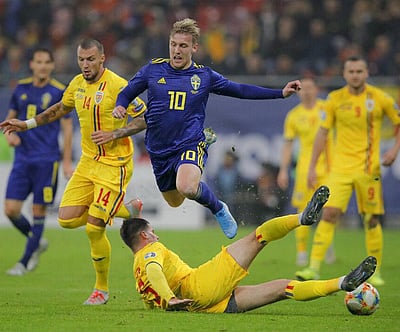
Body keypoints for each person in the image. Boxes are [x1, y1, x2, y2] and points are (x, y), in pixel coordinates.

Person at [107, 18, 301, 240]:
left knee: (187, 186)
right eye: (173, 44)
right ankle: (200, 175)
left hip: (189, 142)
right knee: (175, 200)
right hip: (159, 149)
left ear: (194, 47)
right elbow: (127, 92)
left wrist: (279, 93)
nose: (177, 51)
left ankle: (219, 208)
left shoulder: (204, 76)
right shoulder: (153, 69)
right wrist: (121, 105)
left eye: (183, 46)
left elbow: (240, 90)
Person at [0, 38, 147, 305]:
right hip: (88, 163)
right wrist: (27, 123)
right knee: (66, 220)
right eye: (81, 60)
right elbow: (59, 109)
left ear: (102, 58)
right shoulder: (76, 85)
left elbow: (144, 117)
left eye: (91, 59)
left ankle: (101, 289)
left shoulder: (119, 85)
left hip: (115, 164)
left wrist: (116, 132)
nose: (85, 64)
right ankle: (128, 210)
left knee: (93, 228)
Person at [120, 186, 378, 313]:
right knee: (259, 236)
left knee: (282, 288)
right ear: (144, 236)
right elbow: (155, 270)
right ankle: (302, 219)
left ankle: (343, 282)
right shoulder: (150, 253)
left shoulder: (136, 266)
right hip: (198, 286)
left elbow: (152, 286)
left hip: (203, 306)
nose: (157, 234)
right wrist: (171, 298)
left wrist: (169, 302)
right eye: (152, 231)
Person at [295, 55, 400, 286]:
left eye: (359, 71)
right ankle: (313, 267)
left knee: (371, 218)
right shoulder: (335, 99)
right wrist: (311, 167)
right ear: (344, 74)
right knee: (328, 213)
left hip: (368, 170)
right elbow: (322, 133)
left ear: (366, 73)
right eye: (351, 71)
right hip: (339, 169)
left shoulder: (379, 98)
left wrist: (395, 150)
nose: (355, 75)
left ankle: (375, 271)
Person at [3, 48, 73, 276]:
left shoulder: (59, 91)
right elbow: (9, 118)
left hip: (47, 160)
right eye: (39, 61)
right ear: (31, 64)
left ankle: (23, 262)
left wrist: (66, 162)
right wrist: (10, 135)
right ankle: (37, 240)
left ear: (52, 66)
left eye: (47, 62)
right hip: (22, 159)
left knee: (38, 210)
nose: (43, 66)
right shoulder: (21, 88)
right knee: (11, 210)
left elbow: (67, 127)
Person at [277, 77, 335, 266]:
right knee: (304, 211)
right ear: (298, 92)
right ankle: (302, 253)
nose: (307, 92)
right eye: (303, 89)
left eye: (310, 88)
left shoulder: (327, 109)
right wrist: (283, 170)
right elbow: (287, 145)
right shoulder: (294, 115)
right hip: (304, 169)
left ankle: (325, 247)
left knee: (329, 211)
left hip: (328, 167)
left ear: (317, 90)